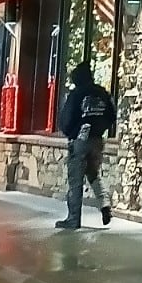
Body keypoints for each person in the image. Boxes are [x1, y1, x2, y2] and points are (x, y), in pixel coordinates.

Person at [57, 60, 115, 230]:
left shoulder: (76, 94)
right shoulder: (102, 93)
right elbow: (111, 116)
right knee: (94, 175)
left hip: (80, 140)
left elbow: (66, 120)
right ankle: (105, 204)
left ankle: (73, 219)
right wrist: (100, 128)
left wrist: (72, 133)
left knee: (76, 181)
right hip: (97, 140)